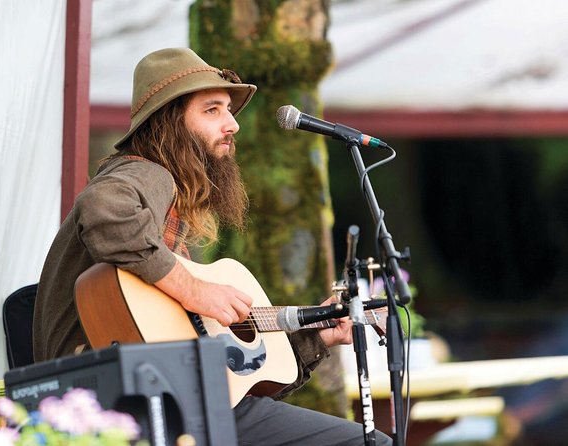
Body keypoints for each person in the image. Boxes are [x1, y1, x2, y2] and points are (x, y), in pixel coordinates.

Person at [33, 47, 392, 446]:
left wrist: (317, 333)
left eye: (228, 110)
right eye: (212, 110)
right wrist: (195, 290)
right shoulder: (145, 173)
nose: (232, 124)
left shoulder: (167, 218)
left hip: (156, 399)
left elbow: (235, 374)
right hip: (125, 406)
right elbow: (101, 208)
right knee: (368, 443)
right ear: (169, 121)